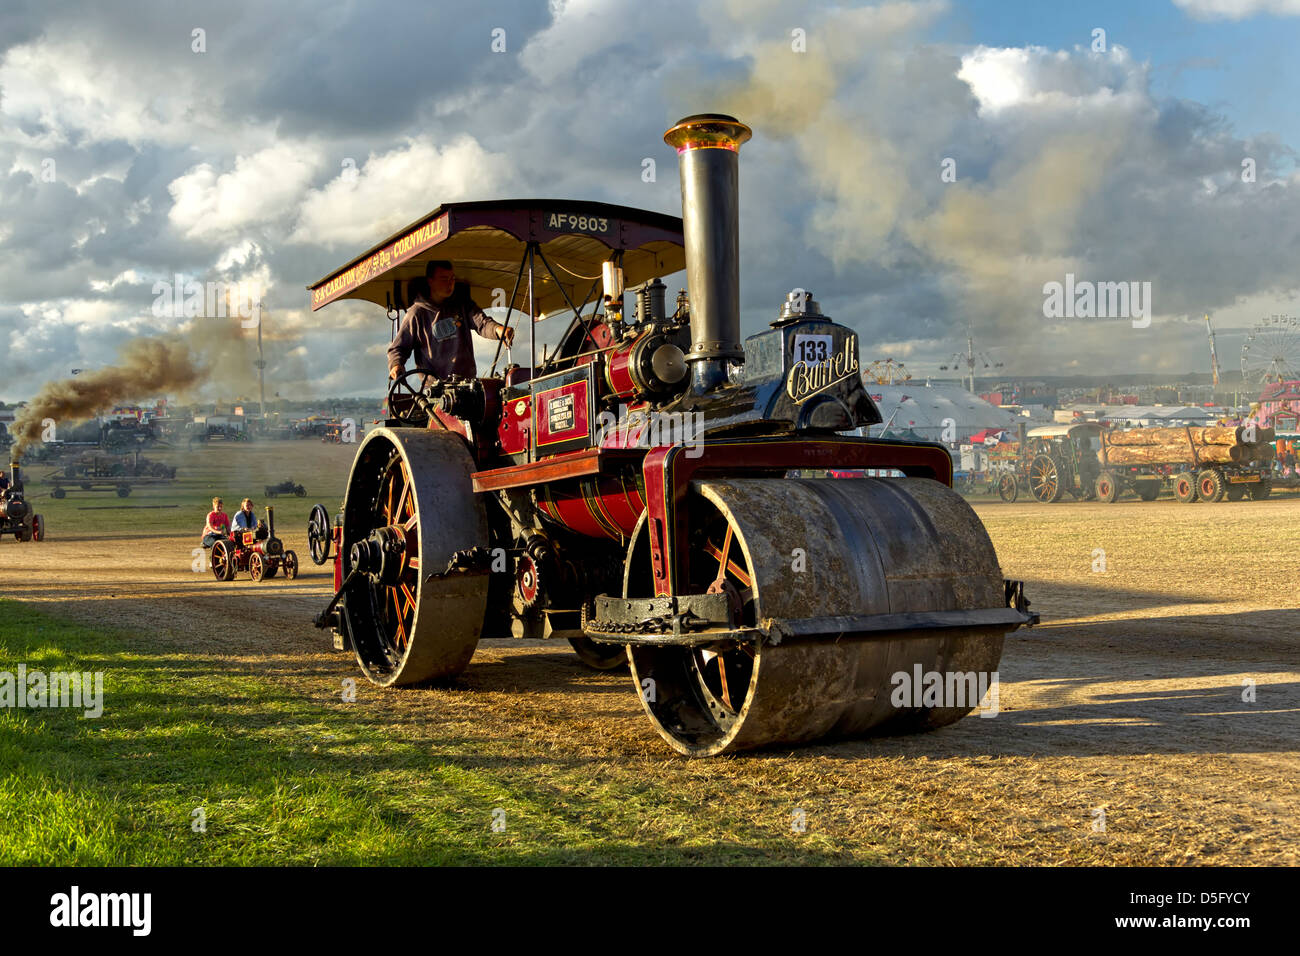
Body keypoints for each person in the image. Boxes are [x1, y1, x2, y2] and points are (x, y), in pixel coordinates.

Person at [387, 260, 514, 386]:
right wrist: (396, 364)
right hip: (436, 392)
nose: (450, 284)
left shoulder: (463, 305)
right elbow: (399, 348)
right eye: (444, 279)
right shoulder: (416, 314)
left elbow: (483, 323)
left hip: (467, 386)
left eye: (452, 279)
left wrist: (498, 330)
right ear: (430, 281)